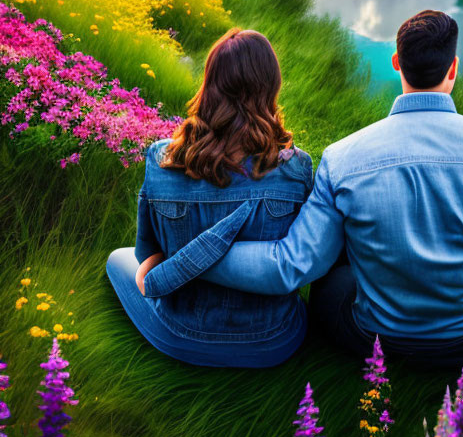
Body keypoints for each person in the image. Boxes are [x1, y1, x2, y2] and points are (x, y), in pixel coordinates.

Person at [143, 10, 463, 368]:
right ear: (453, 69)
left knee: (333, 277)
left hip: (374, 341)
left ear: (396, 63)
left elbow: (297, 264)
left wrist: (188, 256)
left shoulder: (342, 157)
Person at [106, 28, 313, 367]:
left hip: (180, 335)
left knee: (119, 257)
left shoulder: (163, 158)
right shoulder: (296, 167)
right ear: (271, 88)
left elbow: (147, 254)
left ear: (210, 84)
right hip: (274, 340)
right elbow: (304, 258)